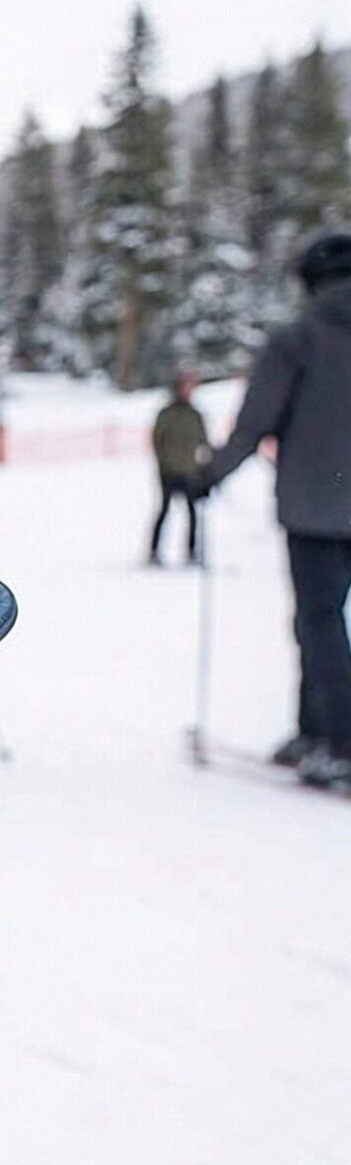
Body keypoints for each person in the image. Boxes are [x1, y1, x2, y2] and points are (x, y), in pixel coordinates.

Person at [199, 230, 351, 792]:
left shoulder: (298, 338)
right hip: (322, 504)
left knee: (319, 622)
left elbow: (255, 421)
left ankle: (336, 742)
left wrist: (209, 474)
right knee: (323, 624)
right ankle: (318, 731)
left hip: (316, 508)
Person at [149, 372, 210, 566]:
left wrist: (205, 467)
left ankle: (191, 551)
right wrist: (163, 464)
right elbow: (157, 441)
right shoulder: (167, 414)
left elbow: (204, 442)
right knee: (164, 511)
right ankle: (153, 551)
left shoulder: (195, 415)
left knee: (192, 513)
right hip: (168, 472)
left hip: (190, 472)